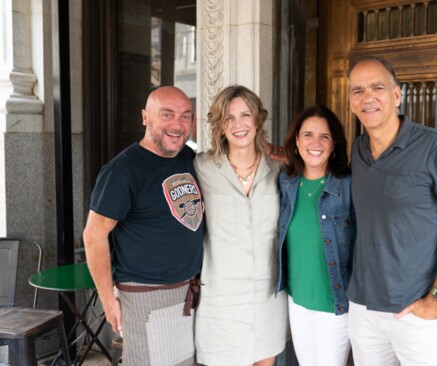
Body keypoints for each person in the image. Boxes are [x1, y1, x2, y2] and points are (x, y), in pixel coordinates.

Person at [346, 56, 437, 366]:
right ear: (350, 102)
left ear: (397, 95)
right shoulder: (357, 150)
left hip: (417, 312)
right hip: (363, 309)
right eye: (357, 90)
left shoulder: (435, 146)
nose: (367, 97)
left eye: (378, 87)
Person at [83, 86, 204, 366]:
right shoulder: (121, 171)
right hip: (145, 297)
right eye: (167, 115)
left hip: (190, 292)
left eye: (186, 116)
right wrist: (107, 300)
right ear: (145, 117)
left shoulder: (188, 158)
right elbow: (93, 236)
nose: (178, 124)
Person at [193, 85, 288, 366]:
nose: (238, 125)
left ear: (257, 121)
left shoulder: (280, 170)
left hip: (267, 298)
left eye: (245, 115)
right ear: (220, 127)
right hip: (221, 301)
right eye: (229, 118)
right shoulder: (200, 167)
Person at [277, 105, 355, 366]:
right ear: (297, 140)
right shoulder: (286, 183)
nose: (316, 143)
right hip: (297, 301)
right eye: (308, 134)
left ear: (334, 145)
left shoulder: (348, 185)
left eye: (325, 136)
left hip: (335, 306)